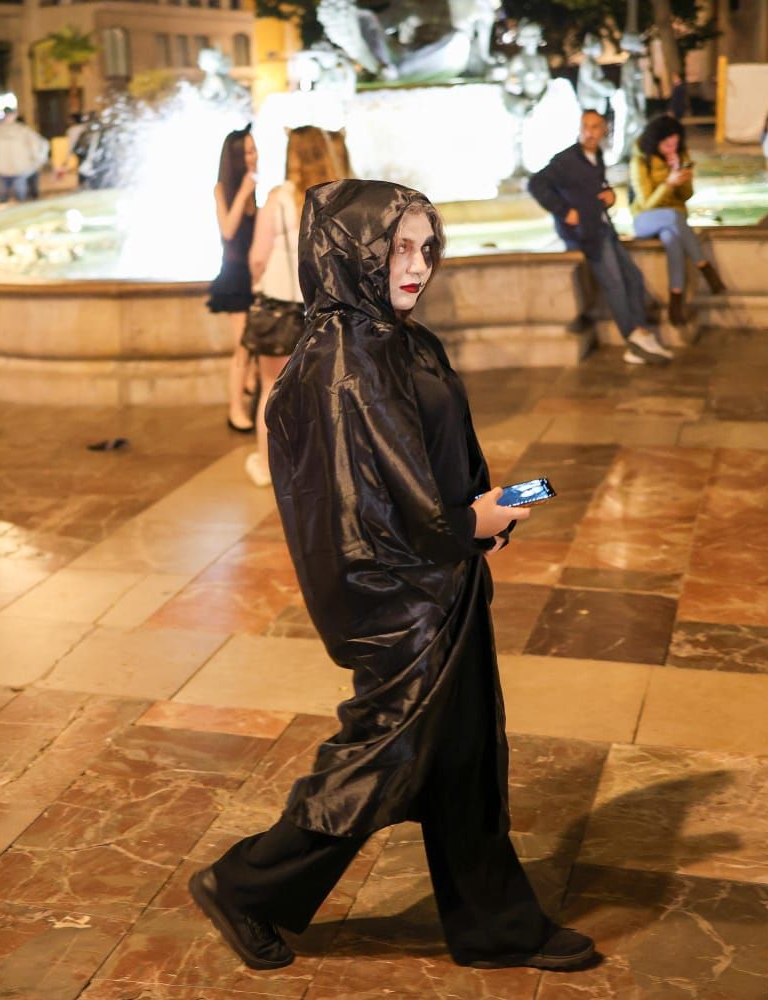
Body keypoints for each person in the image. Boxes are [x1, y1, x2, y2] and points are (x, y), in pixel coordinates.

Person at [190, 179, 597, 975]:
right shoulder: (346, 357)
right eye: (397, 248)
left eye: (425, 247)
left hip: (442, 587)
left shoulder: (396, 337)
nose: (416, 266)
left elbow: (429, 458)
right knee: (375, 767)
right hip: (400, 609)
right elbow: (368, 506)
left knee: (463, 758)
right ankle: (241, 885)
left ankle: (495, 926)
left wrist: (488, 506)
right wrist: (467, 522)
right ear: (353, 252)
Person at [242, 126, 346, 486]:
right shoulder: (340, 198)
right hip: (324, 312)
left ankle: (269, 467)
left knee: (272, 390)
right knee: (323, 391)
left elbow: (257, 256)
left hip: (279, 310)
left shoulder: (279, 198)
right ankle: (325, 463)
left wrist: (256, 283)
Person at [529, 111, 672, 366]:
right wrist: (564, 211)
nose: (590, 132)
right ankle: (633, 339)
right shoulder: (566, 160)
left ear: (604, 130)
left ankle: (641, 332)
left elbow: (598, 189)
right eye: (585, 127)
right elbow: (536, 184)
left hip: (605, 228)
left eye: (595, 127)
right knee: (615, 283)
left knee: (633, 278)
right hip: (589, 234)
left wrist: (610, 196)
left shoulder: (595, 157)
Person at [630, 115, 726, 328]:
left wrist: (680, 176)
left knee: (672, 241)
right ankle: (704, 265)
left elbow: (687, 195)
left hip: (674, 222)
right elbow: (646, 204)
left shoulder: (680, 155)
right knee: (674, 217)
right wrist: (668, 184)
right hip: (645, 220)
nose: (671, 148)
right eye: (667, 144)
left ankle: (676, 302)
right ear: (655, 141)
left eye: (675, 144)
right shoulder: (640, 160)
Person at [209, 127, 259, 434]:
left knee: (254, 342)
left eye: (255, 150)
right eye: (249, 152)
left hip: (255, 275)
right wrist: (243, 193)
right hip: (235, 276)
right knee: (243, 346)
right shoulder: (222, 189)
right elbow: (227, 230)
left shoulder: (256, 187)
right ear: (236, 158)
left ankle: (252, 384)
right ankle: (235, 409)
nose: (255, 156)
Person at [0, 112, 48, 204]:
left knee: (3, 198)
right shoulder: (23, 130)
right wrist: (37, 158)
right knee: (20, 199)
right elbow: (39, 143)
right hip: (20, 168)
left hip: (1, 168)